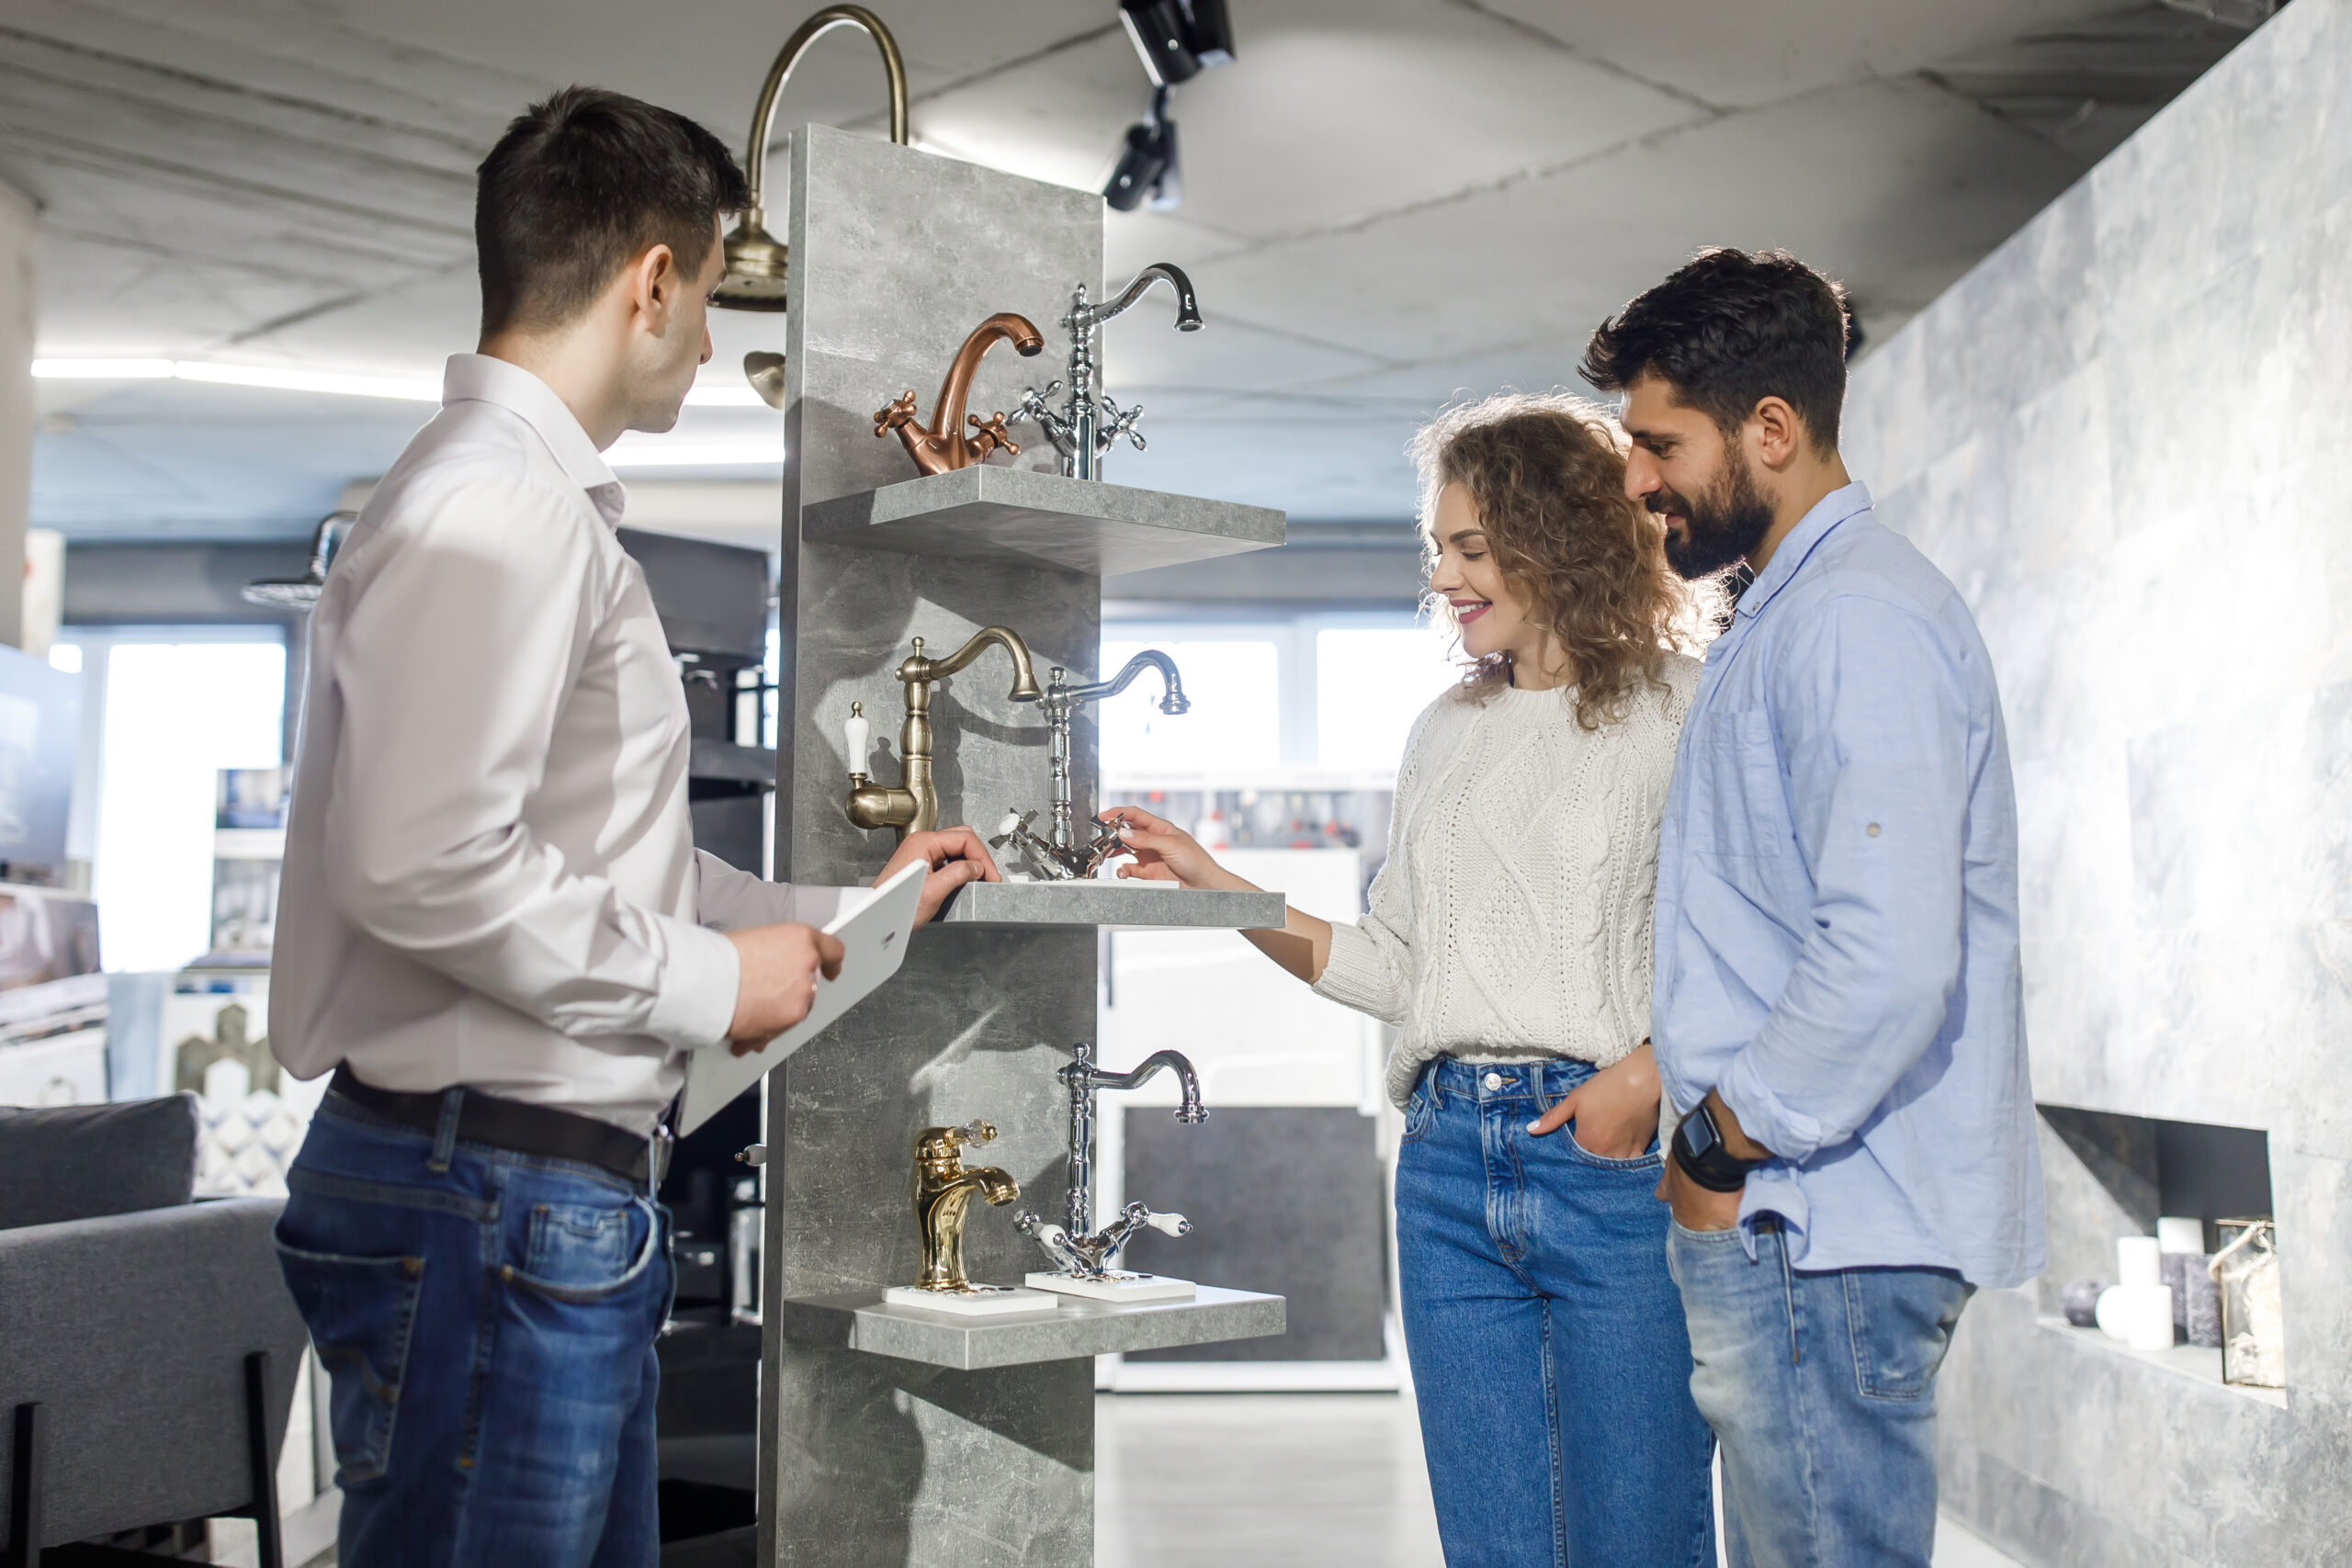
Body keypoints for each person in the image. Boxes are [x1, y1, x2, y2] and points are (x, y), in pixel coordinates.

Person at [266, 87, 1000, 1564]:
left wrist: (832, 912)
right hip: (488, 1195)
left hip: (521, 1196)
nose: (719, 342)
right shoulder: (498, 511)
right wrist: (715, 983)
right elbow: (424, 858)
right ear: (651, 282)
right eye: (713, 291)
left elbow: (602, 854)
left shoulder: (511, 502)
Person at [1109, 393, 1718, 1568]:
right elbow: (1398, 967)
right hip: (1444, 1169)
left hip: (1612, 1172)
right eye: (1439, 548)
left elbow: (1748, 943)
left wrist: (1647, 1076)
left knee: (1638, 1544)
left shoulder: (1683, 709)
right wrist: (1217, 886)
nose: (1443, 576)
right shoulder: (1443, 729)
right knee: (1493, 1552)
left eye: (1471, 548)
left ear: (1559, 540)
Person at [1579, 248, 2044, 1568]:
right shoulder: (1797, 612)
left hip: (1816, 1222)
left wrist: (1724, 1139)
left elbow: (1890, 959)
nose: (1634, 477)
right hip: (1804, 1219)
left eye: (1659, 441)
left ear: (1769, 430)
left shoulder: (1855, 620)